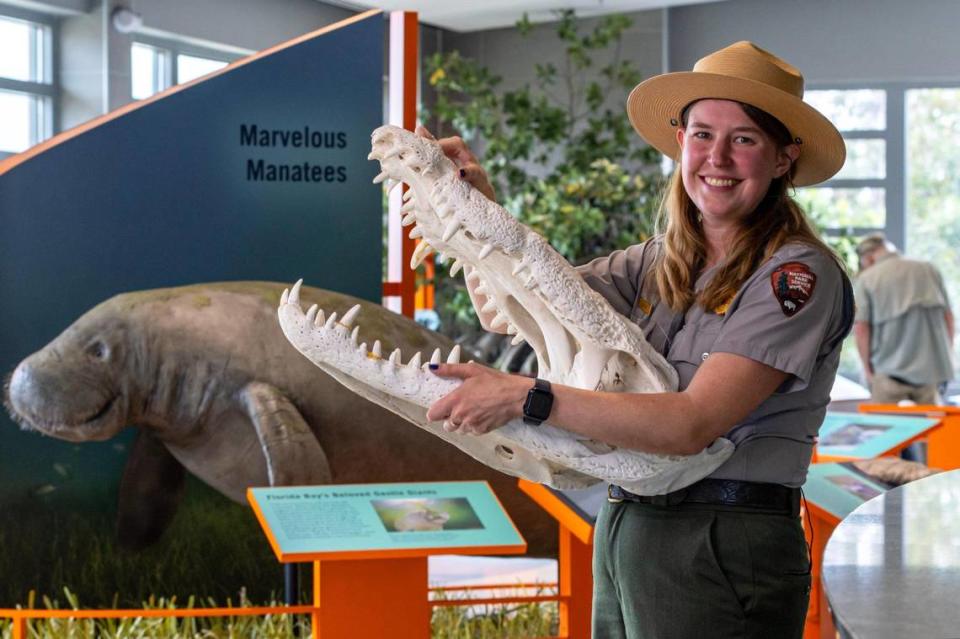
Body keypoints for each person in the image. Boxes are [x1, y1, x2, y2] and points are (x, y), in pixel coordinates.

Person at [420, 41, 853, 638]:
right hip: (629, 520)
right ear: (681, 142)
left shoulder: (795, 276)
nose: (717, 157)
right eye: (702, 134)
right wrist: (471, 203)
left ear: (783, 159)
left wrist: (527, 397)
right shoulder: (655, 262)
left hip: (720, 536)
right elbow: (521, 307)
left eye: (744, 139)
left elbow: (690, 425)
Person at [853, 232, 954, 404]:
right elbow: (949, 318)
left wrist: (867, 369)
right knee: (931, 428)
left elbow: (861, 328)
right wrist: (946, 355)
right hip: (930, 374)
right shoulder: (929, 269)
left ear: (868, 258)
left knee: (885, 429)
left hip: (888, 374)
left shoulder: (868, 278)